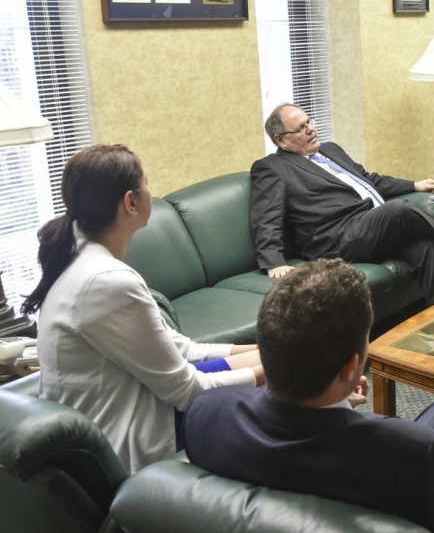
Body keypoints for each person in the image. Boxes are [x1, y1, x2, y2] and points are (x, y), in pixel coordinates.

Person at [184, 259, 434, 533]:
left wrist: (334, 403)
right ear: (350, 368)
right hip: (418, 497)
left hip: (361, 479)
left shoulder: (205, 416)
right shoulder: (416, 455)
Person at [22, 145, 265, 474]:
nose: (151, 191)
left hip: (145, 402)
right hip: (134, 440)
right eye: (147, 183)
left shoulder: (80, 259)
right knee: (282, 395)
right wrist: (286, 367)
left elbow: (181, 349)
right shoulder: (107, 281)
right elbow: (187, 392)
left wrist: (270, 351)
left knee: (279, 362)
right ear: (131, 202)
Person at [250, 104, 434, 306]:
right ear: (280, 140)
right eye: (300, 128)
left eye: (309, 122)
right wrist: (273, 261)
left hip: (371, 227)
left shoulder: (330, 150)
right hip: (337, 238)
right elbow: (266, 216)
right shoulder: (272, 168)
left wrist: (414, 184)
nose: (311, 129)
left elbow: (369, 179)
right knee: (397, 209)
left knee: (427, 247)